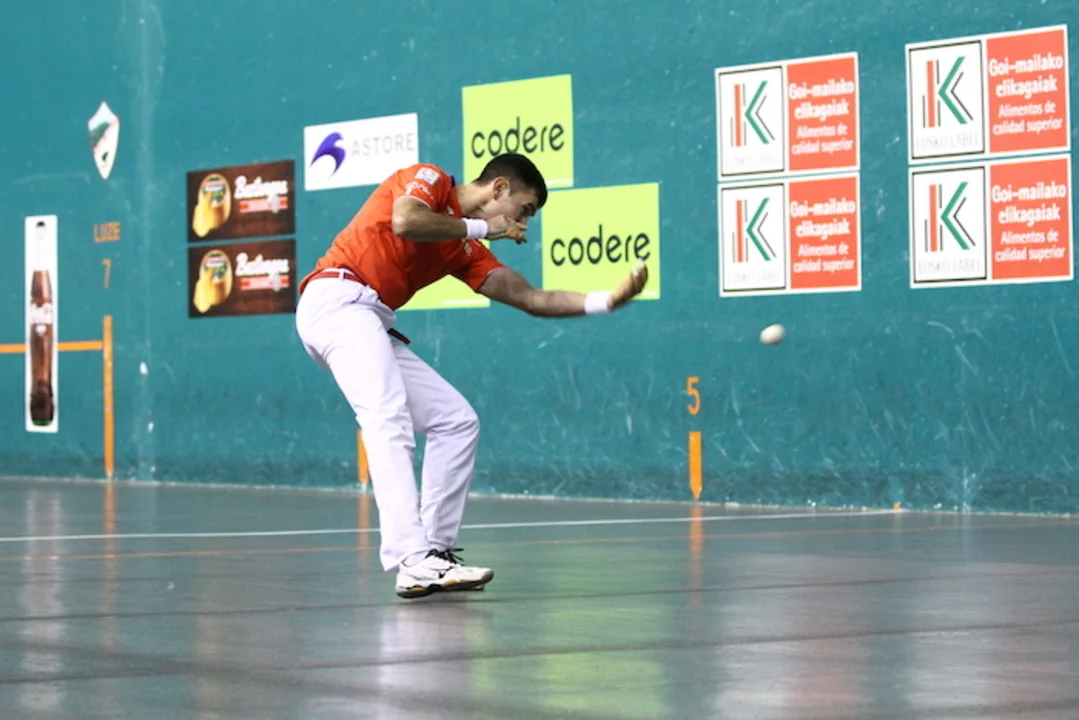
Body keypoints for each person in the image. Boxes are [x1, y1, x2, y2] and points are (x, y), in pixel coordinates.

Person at [295, 152, 648, 599]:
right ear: (498, 188)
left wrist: (605, 301)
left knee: (456, 421)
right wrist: (483, 228)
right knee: (387, 417)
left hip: (368, 319)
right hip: (337, 301)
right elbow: (406, 220)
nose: (522, 223)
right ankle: (411, 558)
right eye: (524, 210)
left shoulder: (462, 249)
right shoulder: (429, 179)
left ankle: (434, 554)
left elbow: (533, 299)